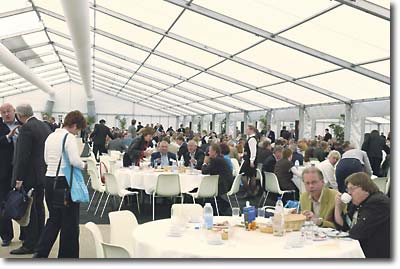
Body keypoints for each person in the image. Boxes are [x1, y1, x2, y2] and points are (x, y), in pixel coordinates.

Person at [33, 111, 87, 258]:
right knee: (70, 223)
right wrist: (84, 166)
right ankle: (67, 257)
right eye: (78, 129)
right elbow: (74, 160)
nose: (77, 133)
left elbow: (45, 159)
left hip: (49, 180)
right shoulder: (68, 137)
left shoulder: (50, 136)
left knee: (54, 219)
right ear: (74, 125)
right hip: (63, 182)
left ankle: (40, 252)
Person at [11, 104, 51, 255]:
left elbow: (23, 156)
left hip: (29, 176)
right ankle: (39, 240)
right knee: (39, 209)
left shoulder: (26, 128)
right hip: (42, 175)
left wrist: (19, 178)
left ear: (20, 115)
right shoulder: (43, 126)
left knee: (29, 211)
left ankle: (29, 244)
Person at [334, 172, 390, 258]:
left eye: (352, 189)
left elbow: (357, 232)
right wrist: (338, 207)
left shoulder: (377, 203)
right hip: (360, 249)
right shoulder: (356, 203)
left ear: (364, 187)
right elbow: (344, 225)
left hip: (376, 253)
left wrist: (350, 231)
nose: (349, 193)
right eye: (348, 190)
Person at [0, 103, 21, 247]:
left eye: (9, 111)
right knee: (2, 204)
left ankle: (26, 235)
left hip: (21, 171)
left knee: (23, 202)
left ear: (15, 111)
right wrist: (8, 136)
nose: (6, 114)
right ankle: (6, 236)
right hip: (3, 172)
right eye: (3, 112)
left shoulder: (23, 124)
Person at [201, 143, 233, 214]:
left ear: (214, 152)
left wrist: (204, 163)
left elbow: (205, 171)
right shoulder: (220, 159)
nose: (208, 153)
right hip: (226, 182)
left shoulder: (216, 160)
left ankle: (208, 209)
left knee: (206, 189)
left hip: (223, 185)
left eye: (209, 151)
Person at [239, 125, 259, 197]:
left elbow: (253, 151)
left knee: (244, 176)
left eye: (247, 129)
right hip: (249, 159)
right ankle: (251, 192)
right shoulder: (251, 138)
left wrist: (251, 161)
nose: (246, 131)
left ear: (251, 130)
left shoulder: (252, 139)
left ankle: (249, 191)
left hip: (249, 160)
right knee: (251, 176)